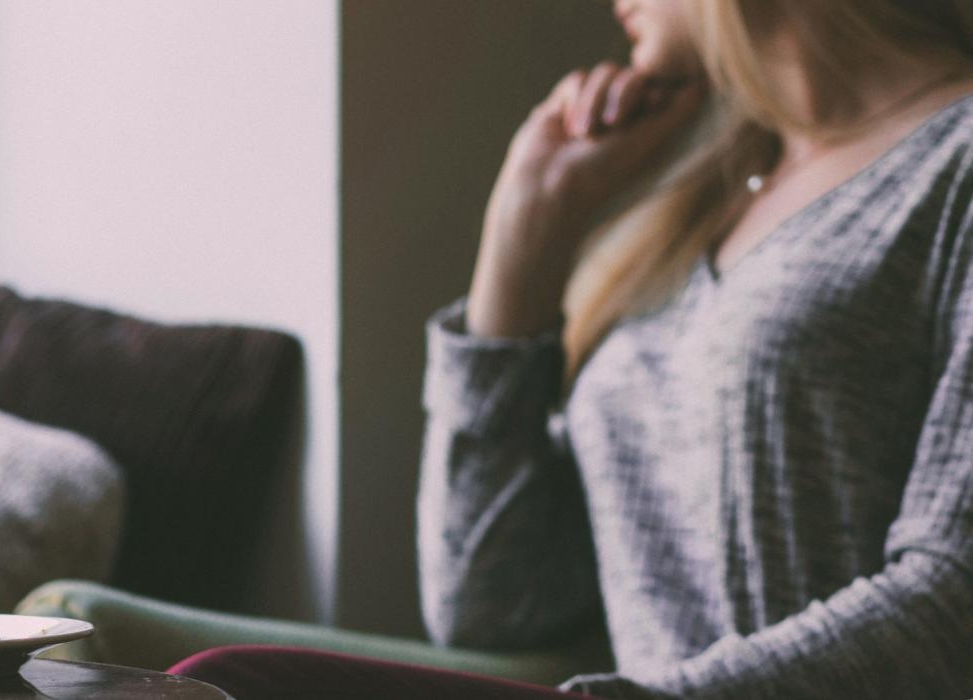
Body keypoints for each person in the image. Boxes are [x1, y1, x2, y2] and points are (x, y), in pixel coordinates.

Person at [171, 1, 973, 697]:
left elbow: (954, 602)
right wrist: (522, 249)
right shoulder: (707, 186)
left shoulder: (952, 164)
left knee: (243, 687)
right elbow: (489, 601)